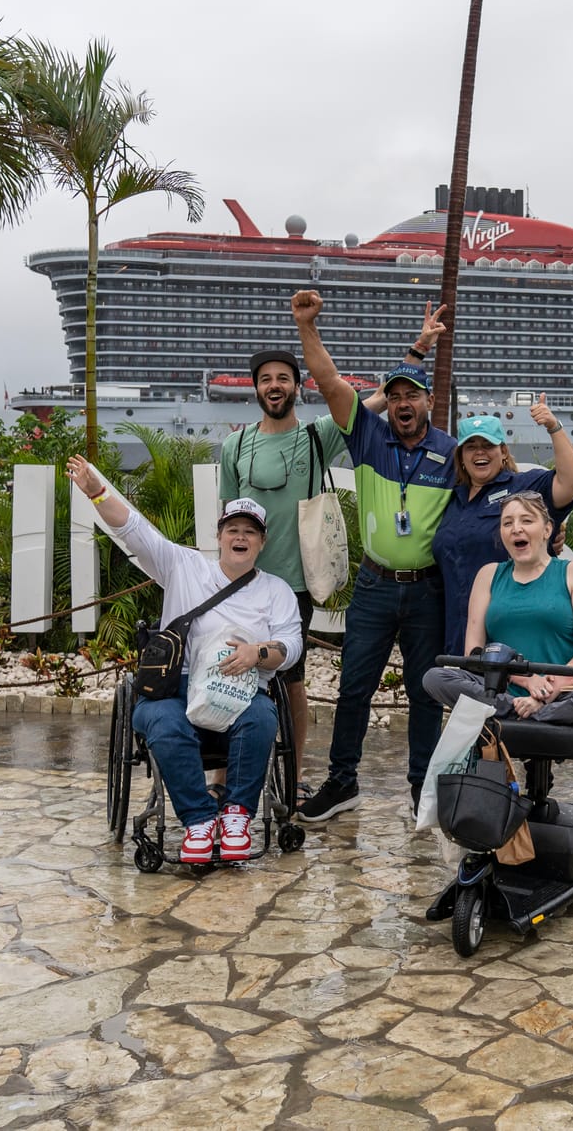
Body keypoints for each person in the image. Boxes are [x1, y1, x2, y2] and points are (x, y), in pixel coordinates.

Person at [216, 313, 444, 794]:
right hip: (241, 580)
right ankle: (222, 773)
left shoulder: (318, 434)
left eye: (283, 379)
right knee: (227, 665)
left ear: (298, 388)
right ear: (255, 388)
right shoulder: (235, 444)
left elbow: (374, 399)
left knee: (290, 678)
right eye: (265, 380)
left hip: (295, 581)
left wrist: (418, 350)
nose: (274, 386)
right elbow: (228, 517)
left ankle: (296, 775)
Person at [68, 454, 300, 864]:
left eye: (250, 531)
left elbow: (290, 645)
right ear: (220, 536)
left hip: (243, 692)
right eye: (233, 530)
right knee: (161, 719)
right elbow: (135, 531)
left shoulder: (276, 590)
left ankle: (236, 816)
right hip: (178, 687)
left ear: (262, 542)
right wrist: (97, 491)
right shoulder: (183, 565)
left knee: (263, 717)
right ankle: (197, 820)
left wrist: (257, 654)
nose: (240, 537)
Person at [291, 288, 457, 820]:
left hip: (428, 589)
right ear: (389, 402)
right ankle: (343, 783)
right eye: (397, 396)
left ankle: (421, 791)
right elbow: (328, 380)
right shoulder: (368, 437)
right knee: (354, 688)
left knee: (425, 695)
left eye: (414, 396)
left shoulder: (452, 453)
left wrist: (550, 531)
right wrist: (307, 328)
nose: (405, 404)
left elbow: (501, 496)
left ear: (429, 401)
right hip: (374, 586)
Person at [423, 491, 573, 726]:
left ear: (547, 530)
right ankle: (517, 710)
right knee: (435, 677)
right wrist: (528, 680)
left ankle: (527, 712)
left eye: (526, 520)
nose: (516, 528)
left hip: (561, 692)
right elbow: (474, 654)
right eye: (507, 523)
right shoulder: (488, 574)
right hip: (498, 692)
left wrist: (544, 691)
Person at [431, 395, 573, 656]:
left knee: (512, 693)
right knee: (462, 694)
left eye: (488, 445)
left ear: (502, 452)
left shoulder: (523, 487)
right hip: (458, 629)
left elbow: (572, 481)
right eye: (471, 447)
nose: (480, 452)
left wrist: (553, 426)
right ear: (462, 457)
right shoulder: (451, 499)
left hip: (511, 629)